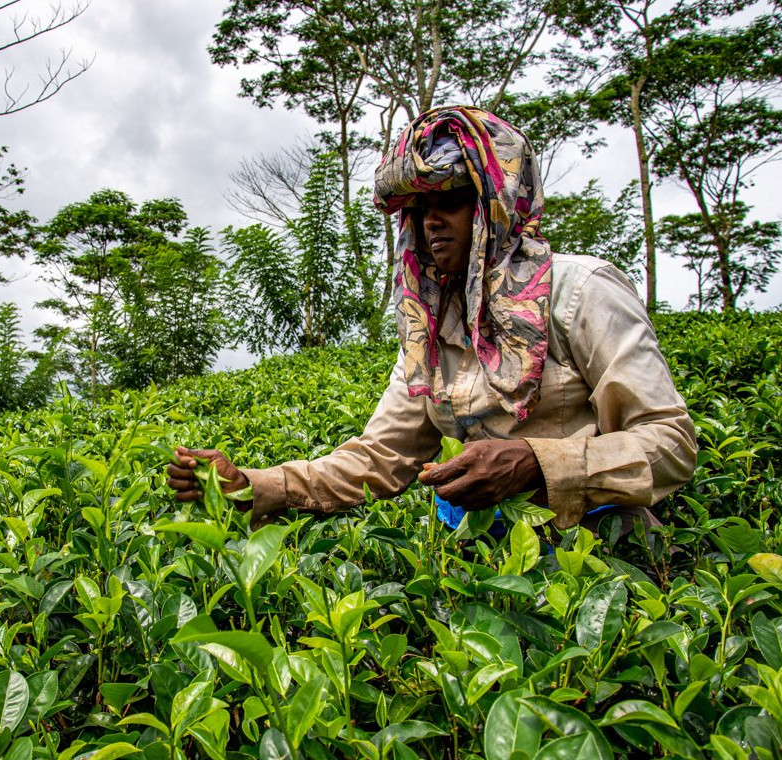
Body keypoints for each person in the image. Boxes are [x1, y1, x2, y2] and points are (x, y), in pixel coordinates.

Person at [167, 106, 697, 532]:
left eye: (452, 200)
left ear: (496, 202)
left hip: (595, 540)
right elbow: (380, 458)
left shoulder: (579, 290)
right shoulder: (430, 323)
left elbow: (670, 443)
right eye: (417, 209)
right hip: (481, 550)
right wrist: (252, 485)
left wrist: (537, 462)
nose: (429, 223)